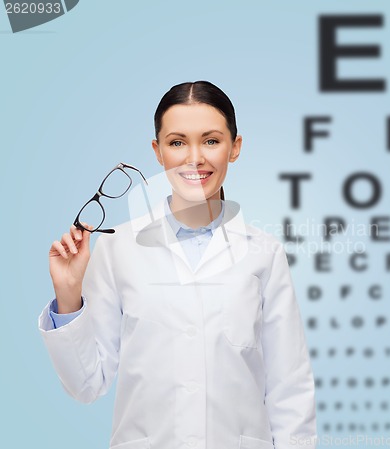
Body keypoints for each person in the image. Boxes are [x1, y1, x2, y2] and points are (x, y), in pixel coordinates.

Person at [38, 81, 318, 449]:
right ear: (158, 151)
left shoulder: (263, 254)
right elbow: (87, 384)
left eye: (212, 141)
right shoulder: (118, 249)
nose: (194, 158)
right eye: (177, 142)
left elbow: (290, 389)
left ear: (235, 148)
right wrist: (68, 297)